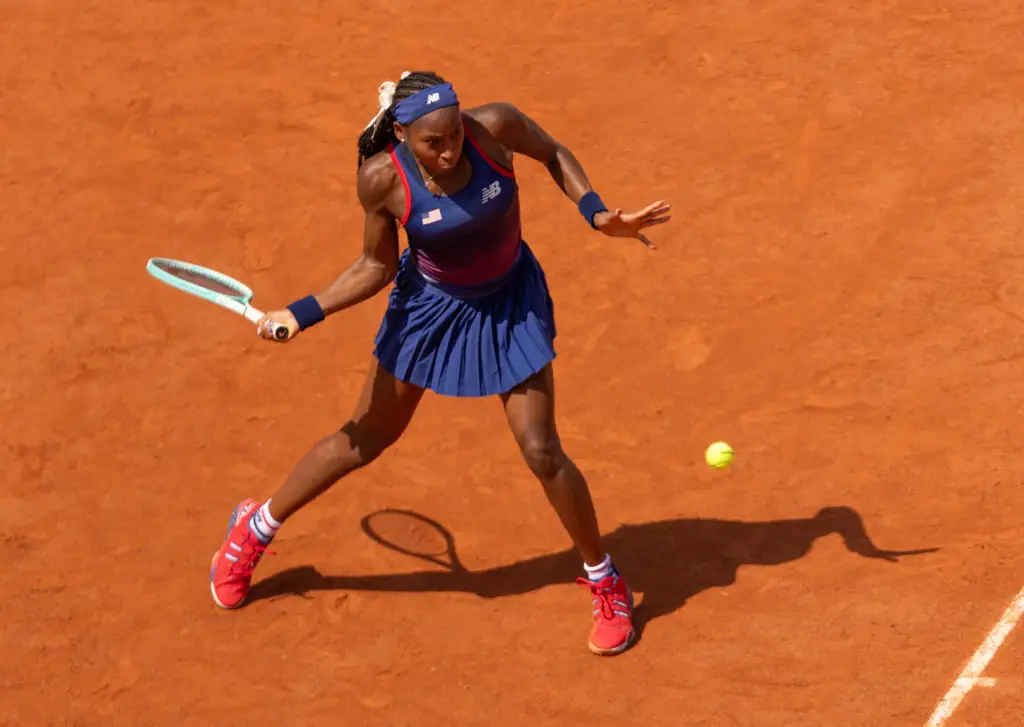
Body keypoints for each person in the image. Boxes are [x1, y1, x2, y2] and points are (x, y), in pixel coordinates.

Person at [209, 70, 671, 656]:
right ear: (401, 134)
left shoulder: (494, 128)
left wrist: (598, 214)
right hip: (432, 310)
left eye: (454, 133)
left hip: (510, 302)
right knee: (364, 439)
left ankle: (605, 580)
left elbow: (552, 152)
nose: (450, 149)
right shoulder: (382, 180)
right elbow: (374, 267)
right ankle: (254, 528)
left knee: (541, 449)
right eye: (434, 142)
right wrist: (302, 313)